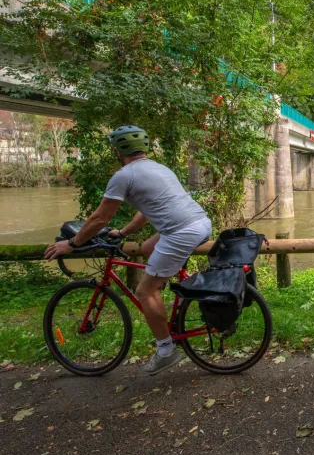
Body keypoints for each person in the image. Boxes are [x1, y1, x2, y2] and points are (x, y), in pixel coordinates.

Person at [44, 126, 212, 375]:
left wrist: (72, 243)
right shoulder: (159, 168)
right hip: (200, 222)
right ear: (143, 148)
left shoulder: (124, 176)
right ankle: (169, 295)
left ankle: (166, 350)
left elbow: (100, 218)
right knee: (145, 248)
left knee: (144, 291)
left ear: (117, 151)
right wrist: (123, 233)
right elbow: (146, 210)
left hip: (180, 232)